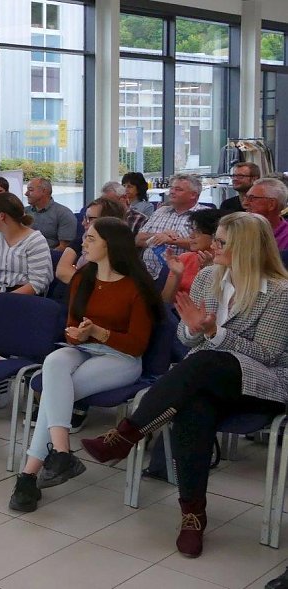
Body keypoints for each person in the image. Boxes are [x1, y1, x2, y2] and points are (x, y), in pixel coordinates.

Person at [80, 212, 288, 558]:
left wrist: (211, 332)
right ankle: (192, 515)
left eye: (221, 242)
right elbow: (184, 336)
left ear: (247, 248)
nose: (212, 245)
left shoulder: (280, 293)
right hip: (205, 380)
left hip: (261, 385)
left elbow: (266, 354)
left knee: (204, 361)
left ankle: (126, 435)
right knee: (193, 406)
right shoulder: (209, 277)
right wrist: (193, 330)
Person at [9, 217, 162, 513]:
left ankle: (28, 475)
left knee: (56, 396)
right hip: (84, 348)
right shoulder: (83, 277)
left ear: (110, 245)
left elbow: (137, 345)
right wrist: (77, 334)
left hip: (122, 358)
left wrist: (98, 333)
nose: (85, 243)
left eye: (91, 239)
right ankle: (62, 453)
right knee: (54, 362)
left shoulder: (137, 286)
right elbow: (71, 324)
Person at [0, 192, 53, 297]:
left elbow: (38, 283)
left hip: (23, 299)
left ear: (2, 216)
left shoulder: (35, 241)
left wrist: (3, 299)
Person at [136, 173, 210, 279]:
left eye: (178, 189)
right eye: (171, 188)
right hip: (147, 273)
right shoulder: (160, 211)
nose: (172, 192)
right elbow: (138, 239)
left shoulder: (204, 214)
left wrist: (171, 240)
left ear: (193, 195)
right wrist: (160, 235)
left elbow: (206, 246)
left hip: (182, 275)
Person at [161, 208, 226, 303]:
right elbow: (165, 301)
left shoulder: (225, 261)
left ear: (215, 235)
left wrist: (210, 270)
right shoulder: (184, 258)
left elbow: (218, 303)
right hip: (179, 313)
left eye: (198, 232)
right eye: (191, 230)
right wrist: (176, 275)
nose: (191, 236)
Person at [56, 197, 126, 285]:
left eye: (90, 219)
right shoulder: (81, 240)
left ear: (108, 221)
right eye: (85, 218)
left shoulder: (118, 253)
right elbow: (62, 271)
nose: (83, 223)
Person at [25, 177, 78, 251]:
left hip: (49, 257)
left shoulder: (64, 214)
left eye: (30, 190)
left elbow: (64, 247)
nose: (26, 193)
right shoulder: (24, 212)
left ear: (43, 191)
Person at [241, 178, 288, 250]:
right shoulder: (239, 231)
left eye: (251, 198)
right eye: (245, 198)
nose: (245, 203)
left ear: (271, 204)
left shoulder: (285, 239)